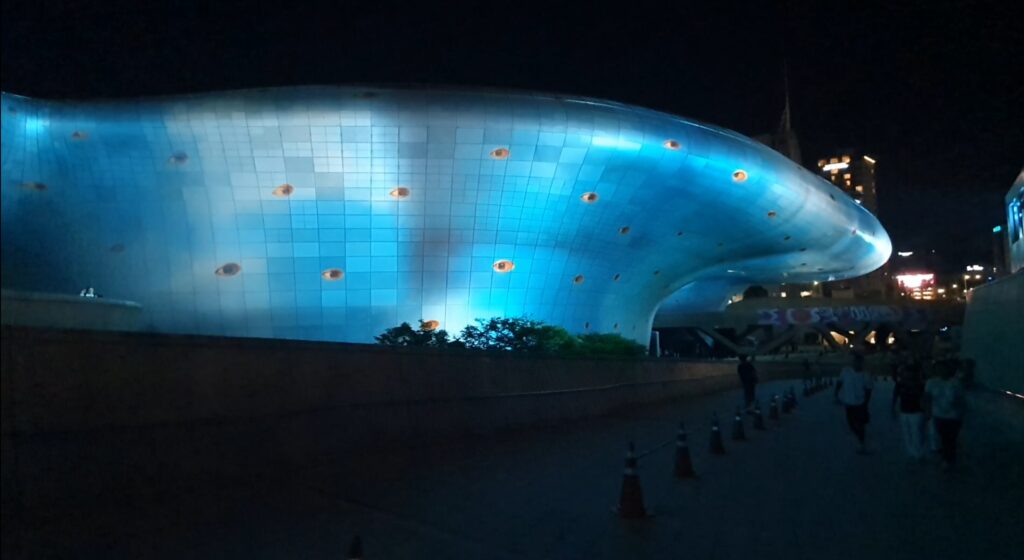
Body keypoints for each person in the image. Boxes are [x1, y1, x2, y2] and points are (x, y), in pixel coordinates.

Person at [924, 360, 967, 470]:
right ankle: (948, 457)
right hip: (939, 415)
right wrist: (927, 412)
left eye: (943, 368)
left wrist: (961, 413)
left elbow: (962, 400)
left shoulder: (955, 383)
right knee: (943, 437)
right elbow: (927, 398)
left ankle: (948, 459)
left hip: (954, 416)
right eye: (938, 369)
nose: (941, 371)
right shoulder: (931, 382)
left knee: (951, 437)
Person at [834, 353, 874, 453]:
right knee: (851, 424)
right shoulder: (845, 371)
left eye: (859, 362)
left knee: (861, 424)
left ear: (862, 363)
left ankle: (862, 443)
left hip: (860, 403)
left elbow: (869, 390)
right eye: (855, 362)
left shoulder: (866, 375)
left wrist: (866, 403)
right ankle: (860, 439)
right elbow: (839, 383)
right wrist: (836, 393)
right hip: (849, 403)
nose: (857, 364)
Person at [892, 361, 926, 460]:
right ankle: (911, 452)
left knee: (917, 433)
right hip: (904, 411)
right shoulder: (900, 384)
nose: (907, 374)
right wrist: (893, 408)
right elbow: (895, 396)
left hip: (917, 411)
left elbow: (925, 397)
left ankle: (919, 452)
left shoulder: (920, 385)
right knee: (907, 433)